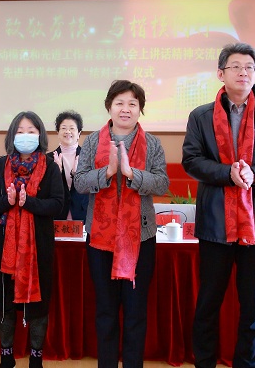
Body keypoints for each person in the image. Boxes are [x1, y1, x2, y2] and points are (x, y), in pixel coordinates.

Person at [182, 43, 255, 368]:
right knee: (208, 302)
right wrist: (227, 173)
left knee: (252, 306)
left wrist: (254, 173)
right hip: (216, 222)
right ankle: (205, 362)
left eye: (249, 67)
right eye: (236, 66)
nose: (243, 72)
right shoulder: (201, 116)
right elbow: (191, 160)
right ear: (221, 74)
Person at [75, 80, 169, 368]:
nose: (125, 109)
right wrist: (109, 171)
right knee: (105, 310)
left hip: (141, 237)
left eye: (132, 104)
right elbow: (80, 182)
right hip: (100, 238)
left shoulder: (153, 144)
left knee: (135, 310)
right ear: (109, 107)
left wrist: (131, 173)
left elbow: (162, 183)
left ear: (140, 109)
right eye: (119, 103)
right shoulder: (93, 141)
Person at [0, 111, 64, 368]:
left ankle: (36, 359)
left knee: (38, 303)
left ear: (40, 135)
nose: (25, 136)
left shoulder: (50, 166)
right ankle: (6, 357)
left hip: (39, 245)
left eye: (31, 131)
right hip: (4, 244)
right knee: (4, 300)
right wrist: (6, 202)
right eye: (20, 131)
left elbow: (58, 205)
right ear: (11, 135)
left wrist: (28, 202)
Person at [51, 110, 89, 223]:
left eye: (72, 128)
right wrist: (56, 174)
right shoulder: (49, 159)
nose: (68, 131)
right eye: (63, 128)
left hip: (83, 213)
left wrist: (77, 175)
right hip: (57, 214)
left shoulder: (88, 157)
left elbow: (92, 188)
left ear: (79, 133)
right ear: (58, 132)